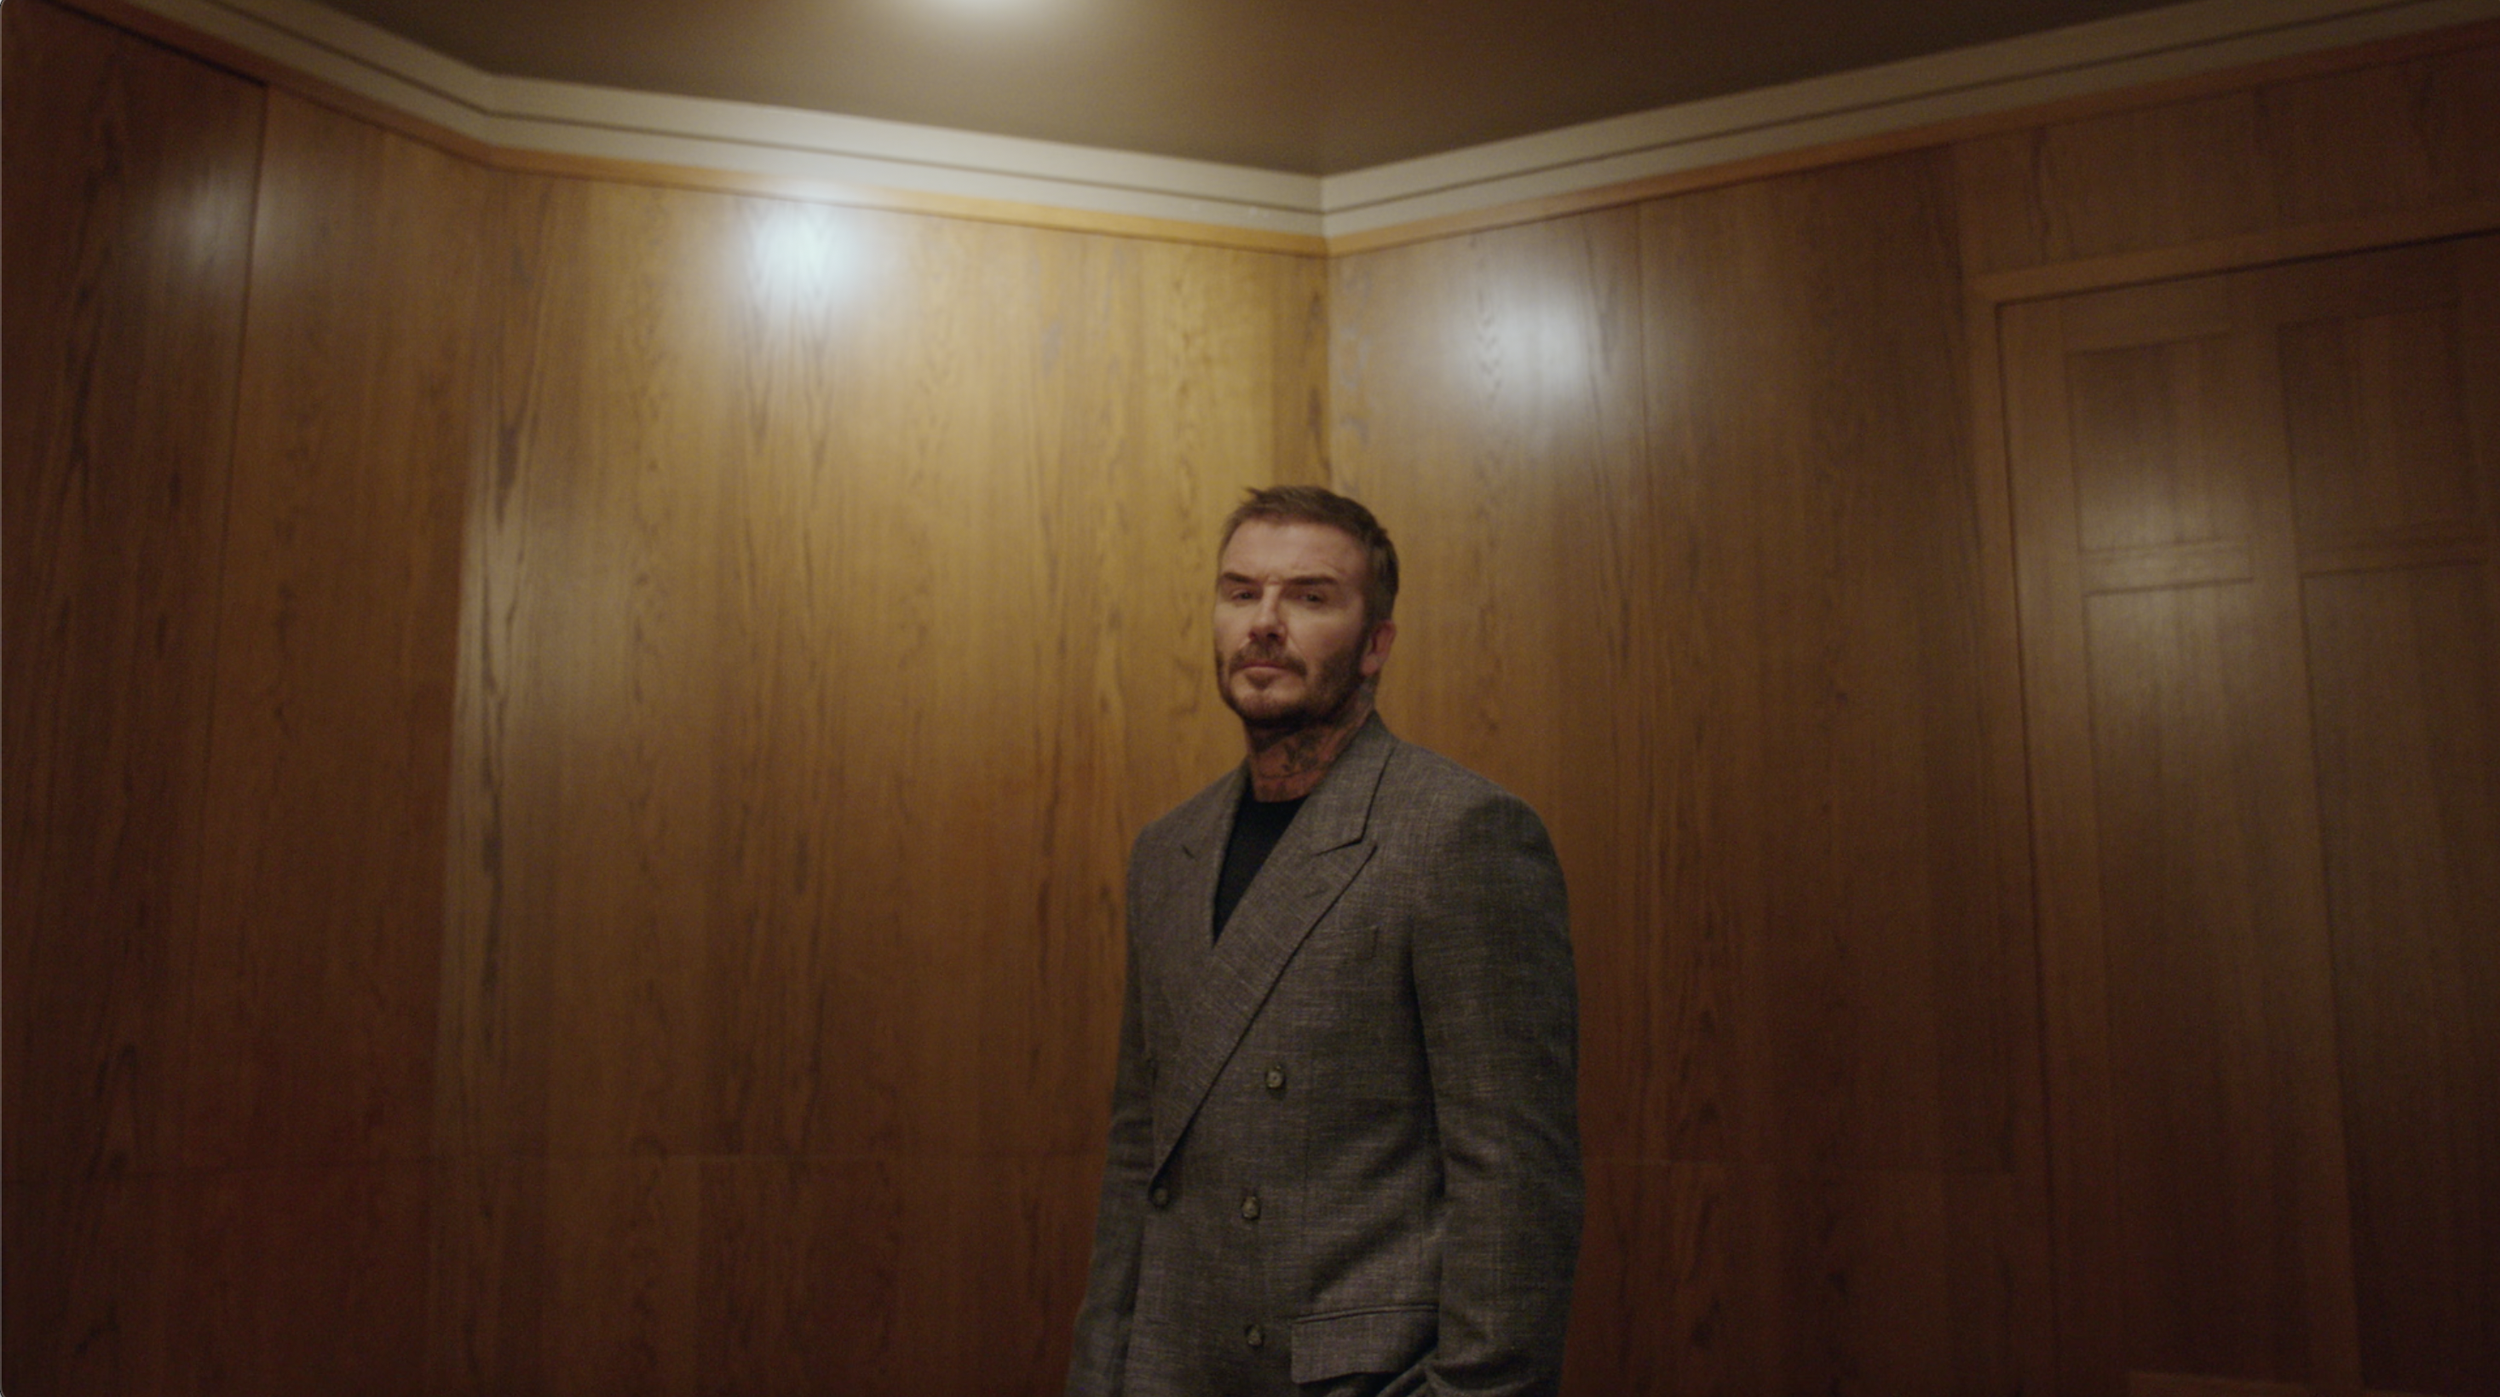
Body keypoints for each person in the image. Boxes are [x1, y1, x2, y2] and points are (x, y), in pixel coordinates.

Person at [1066, 485, 1581, 1397]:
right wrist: (1099, 1374)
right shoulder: (1168, 852)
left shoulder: (1458, 832)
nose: (1264, 622)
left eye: (1309, 596)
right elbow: (1140, 1152)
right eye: (1241, 592)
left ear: (1376, 642)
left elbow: (1514, 1177)